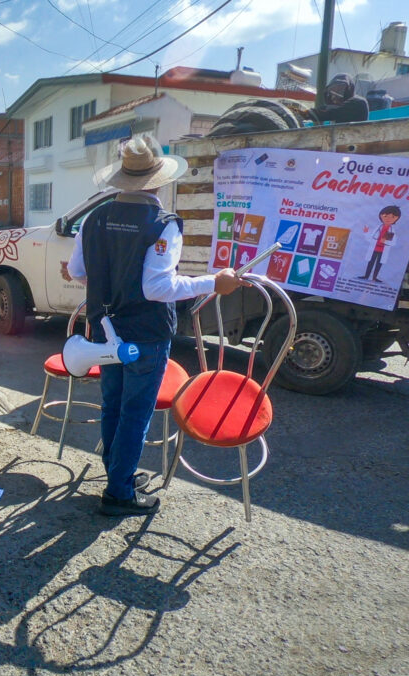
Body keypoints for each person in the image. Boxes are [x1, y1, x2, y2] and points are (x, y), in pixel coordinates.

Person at [64, 136, 245, 517]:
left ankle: (119, 474)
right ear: (159, 180)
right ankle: (119, 491)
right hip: (145, 333)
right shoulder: (162, 224)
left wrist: (110, 287)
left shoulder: (94, 218)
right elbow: (157, 288)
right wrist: (214, 282)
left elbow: (79, 272)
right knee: (135, 411)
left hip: (104, 329)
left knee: (113, 403)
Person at [359, 205, 401, 282]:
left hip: (383, 250)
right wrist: (366, 233)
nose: (388, 219)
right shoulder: (379, 227)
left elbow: (393, 243)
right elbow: (371, 238)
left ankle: (374, 277)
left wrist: (385, 241)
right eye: (385, 216)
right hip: (374, 248)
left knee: (379, 264)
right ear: (381, 216)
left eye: (392, 217)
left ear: (396, 219)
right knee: (371, 262)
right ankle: (366, 276)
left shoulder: (391, 230)